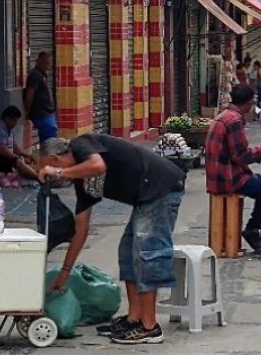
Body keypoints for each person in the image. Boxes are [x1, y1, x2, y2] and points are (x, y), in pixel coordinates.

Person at [38, 135, 187, 345]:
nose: (53, 179)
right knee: (127, 252)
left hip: (161, 187)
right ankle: (134, 318)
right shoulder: (82, 183)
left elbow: (98, 166)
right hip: (145, 197)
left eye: (50, 170)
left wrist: (59, 172)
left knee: (147, 253)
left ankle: (150, 326)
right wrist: (64, 273)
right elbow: (81, 230)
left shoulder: (81, 144)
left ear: (55, 160)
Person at [205, 84, 261, 259]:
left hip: (221, 174)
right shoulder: (234, 121)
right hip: (229, 179)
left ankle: (252, 228)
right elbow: (241, 156)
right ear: (248, 102)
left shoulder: (224, 115)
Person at [0, 106, 38, 185]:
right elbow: (3, 151)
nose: (15, 123)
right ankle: (38, 178)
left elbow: (16, 150)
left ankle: (33, 175)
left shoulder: (9, 131)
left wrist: (27, 155)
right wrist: (16, 158)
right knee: (17, 161)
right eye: (14, 120)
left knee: (21, 160)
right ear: (7, 119)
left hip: (1, 160)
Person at [25, 51, 57, 142]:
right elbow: (30, 93)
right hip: (43, 115)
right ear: (38, 61)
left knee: (51, 141)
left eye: (48, 62)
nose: (48, 64)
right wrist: (27, 111)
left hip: (47, 115)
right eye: (45, 62)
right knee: (50, 143)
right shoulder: (36, 74)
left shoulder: (41, 75)